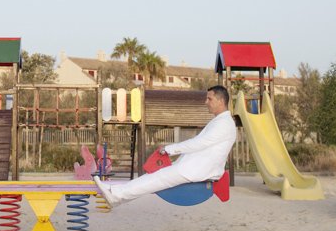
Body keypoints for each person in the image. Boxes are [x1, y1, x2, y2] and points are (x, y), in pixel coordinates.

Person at [93, 85, 236, 207]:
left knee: (156, 179)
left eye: (209, 99)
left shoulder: (224, 124)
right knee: (153, 178)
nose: (206, 102)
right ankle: (115, 193)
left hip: (198, 170)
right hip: (194, 167)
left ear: (221, 101)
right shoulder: (220, 121)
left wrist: (169, 149)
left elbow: (199, 143)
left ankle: (116, 195)